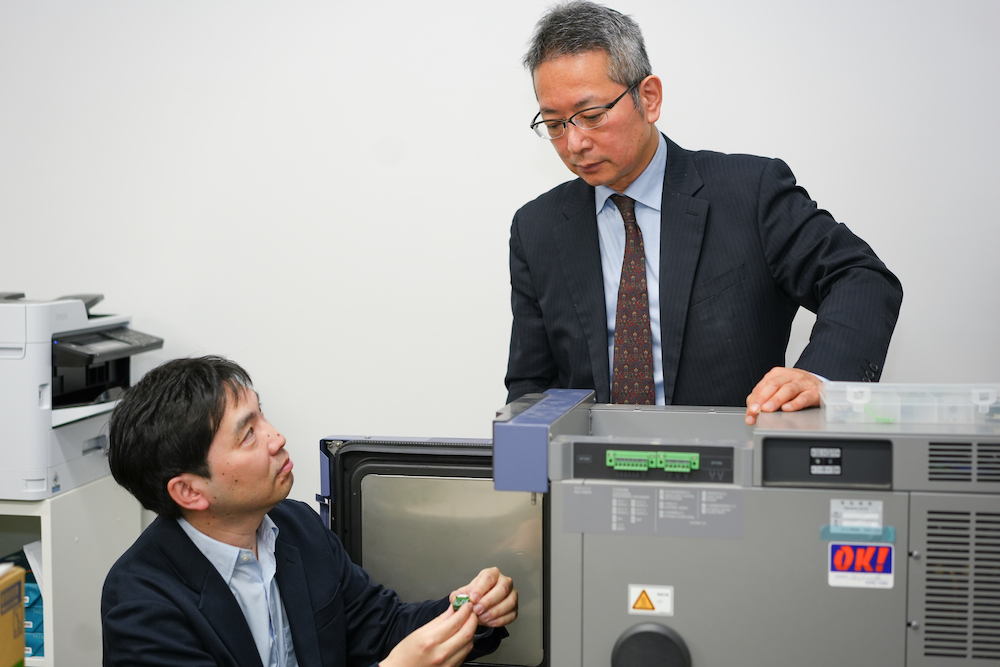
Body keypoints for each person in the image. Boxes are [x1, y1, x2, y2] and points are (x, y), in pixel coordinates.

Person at [506, 1, 903, 425]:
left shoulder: (749, 192)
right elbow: (532, 386)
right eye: (554, 124)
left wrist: (821, 376)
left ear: (649, 98)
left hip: (732, 467)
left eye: (591, 116)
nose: (574, 143)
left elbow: (861, 278)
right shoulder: (537, 228)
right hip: (592, 475)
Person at [102, 356, 517, 667]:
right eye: (248, 434)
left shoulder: (296, 527)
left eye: (261, 415)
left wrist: (469, 608)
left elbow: (381, 628)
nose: (276, 437)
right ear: (190, 491)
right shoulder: (141, 601)